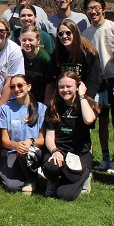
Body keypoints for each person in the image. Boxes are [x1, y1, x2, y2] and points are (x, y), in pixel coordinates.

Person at [82, 0, 114, 174]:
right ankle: (105, 157)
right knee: (102, 122)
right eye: (90, 8)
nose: (94, 11)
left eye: (97, 7)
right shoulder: (86, 33)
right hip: (97, 83)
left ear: (103, 9)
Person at [43, 71, 98, 201]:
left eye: (69, 86)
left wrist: (82, 96)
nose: (65, 90)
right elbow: (49, 137)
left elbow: (89, 120)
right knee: (50, 167)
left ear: (78, 86)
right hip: (60, 151)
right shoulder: (53, 106)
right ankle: (54, 180)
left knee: (65, 194)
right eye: (61, 87)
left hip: (79, 154)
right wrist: (55, 151)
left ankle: (85, 175)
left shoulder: (87, 104)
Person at [0, 74, 47, 193]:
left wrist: (30, 141)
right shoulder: (5, 109)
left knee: (25, 153)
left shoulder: (41, 108)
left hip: (33, 150)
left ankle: (31, 179)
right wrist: (16, 145)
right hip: (11, 152)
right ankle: (31, 173)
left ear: (29, 87)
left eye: (20, 85)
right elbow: (4, 140)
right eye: (12, 87)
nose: (16, 89)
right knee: (12, 186)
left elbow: (43, 139)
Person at [49, 19, 102, 100]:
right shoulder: (57, 54)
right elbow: (56, 78)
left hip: (88, 94)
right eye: (60, 34)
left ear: (75, 33)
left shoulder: (88, 53)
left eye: (68, 33)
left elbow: (93, 81)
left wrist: (86, 99)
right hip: (66, 94)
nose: (64, 36)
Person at [19, 25, 52, 102]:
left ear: (38, 40)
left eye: (31, 40)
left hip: (40, 99)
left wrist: (46, 105)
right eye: (24, 40)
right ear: (19, 40)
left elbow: (49, 85)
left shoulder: (45, 58)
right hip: (24, 98)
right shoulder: (19, 55)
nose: (27, 43)